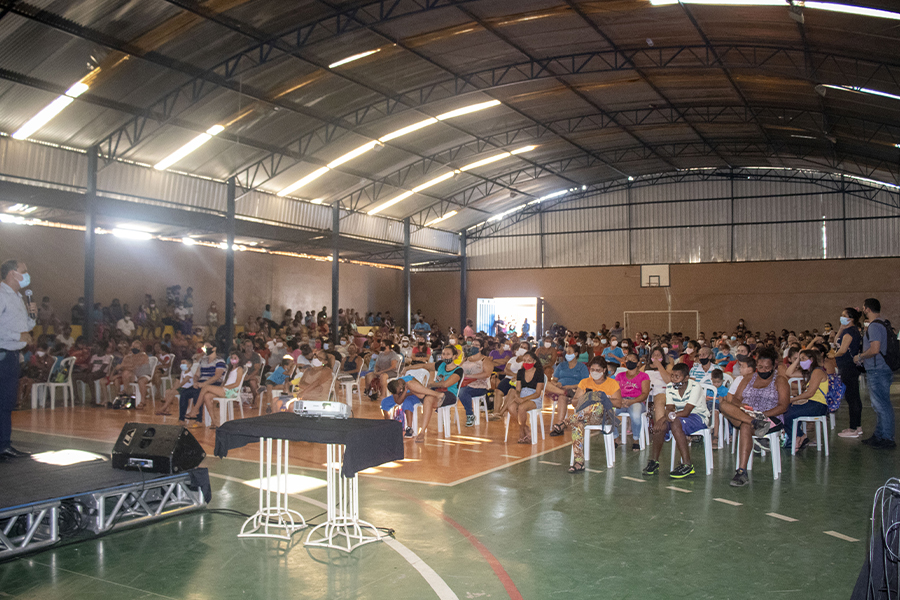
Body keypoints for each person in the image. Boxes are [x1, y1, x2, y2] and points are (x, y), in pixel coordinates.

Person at [718, 347, 790, 487]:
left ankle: (742, 471)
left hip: (770, 417)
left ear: (774, 366)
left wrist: (763, 414)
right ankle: (754, 422)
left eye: (767, 367)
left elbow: (783, 406)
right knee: (724, 405)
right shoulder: (749, 378)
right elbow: (736, 399)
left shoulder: (780, 381)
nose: (763, 370)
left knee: (746, 426)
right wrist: (743, 407)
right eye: (760, 367)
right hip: (747, 414)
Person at [641, 363, 709, 479]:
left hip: (697, 417)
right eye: (672, 376)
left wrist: (662, 418)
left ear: (686, 378)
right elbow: (670, 408)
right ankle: (654, 461)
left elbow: (687, 412)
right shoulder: (670, 387)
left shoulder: (695, 387)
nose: (673, 379)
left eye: (677, 376)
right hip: (677, 417)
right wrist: (663, 420)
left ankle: (688, 465)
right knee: (661, 427)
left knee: (673, 422)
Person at [0, 259, 35, 458]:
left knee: (6, 402)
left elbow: (24, 328)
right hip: (2, 354)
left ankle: (4, 444)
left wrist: (32, 317)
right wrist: (17, 336)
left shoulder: (18, 297)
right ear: (12, 273)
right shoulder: (1, 295)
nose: (27, 275)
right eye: (24, 271)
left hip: (12, 356)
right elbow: (15, 333)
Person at [565, 357, 621, 473]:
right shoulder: (584, 382)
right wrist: (587, 397)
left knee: (598, 405)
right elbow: (574, 402)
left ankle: (566, 421)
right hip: (585, 417)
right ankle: (579, 462)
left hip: (604, 417)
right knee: (577, 424)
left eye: (598, 370)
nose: (594, 372)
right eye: (592, 370)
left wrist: (602, 398)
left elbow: (619, 403)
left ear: (604, 370)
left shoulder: (612, 383)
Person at [854, 298, 896, 448]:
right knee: (879, 405)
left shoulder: (874, 326)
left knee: (882, 405)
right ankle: (879, 435)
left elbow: (874, 349)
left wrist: (860, 356)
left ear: (867, 309)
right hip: (880, 369)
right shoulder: (882, 323)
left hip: (878, 370)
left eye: (863, 308)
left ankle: (887, 438)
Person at [403, 345, 463, 442]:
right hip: (434, 392)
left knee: (428, 398)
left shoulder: (459, 370)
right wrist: (408, 368)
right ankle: (434, 394)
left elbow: (445, 384)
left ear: (454, 356)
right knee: (409, 383)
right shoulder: (440, 364)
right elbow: (423, 365)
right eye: (443, 354)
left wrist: (431, 384)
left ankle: (422, 432)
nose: (445, 356)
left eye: (448, 354)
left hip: (448, 395)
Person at [783, 348, 829, 452]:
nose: (801, 361)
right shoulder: (809, 373)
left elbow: (810, 393)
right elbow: (789, 373)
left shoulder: (817, 372)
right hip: (810, 403)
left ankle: (798, 437)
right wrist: (797, 360)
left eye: (803, 359)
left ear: (811, 360)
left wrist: (793, 399)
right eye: (800, 359)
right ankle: (799, 436)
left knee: (788, 414)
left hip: (818, 405)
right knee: (784, 410)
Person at [834, 307, 863, 438]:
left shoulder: (850, 333)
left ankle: (853, 429)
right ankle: (857, 426)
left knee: (852, 398)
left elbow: (842, 350)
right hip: (848, 367)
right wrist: (841, 328)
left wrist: (832, 355)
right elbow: (836, 342)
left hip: (848, 367)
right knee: (854, 397)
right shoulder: (848, 331)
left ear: (850, 319)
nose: (841, 317)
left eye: (844, 315)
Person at [546, 344, 588, 436]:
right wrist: (557, 384)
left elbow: (585, 383)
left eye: (569, 352)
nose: (567, 354)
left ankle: (560, 425)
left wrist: (569, 387)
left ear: (576, 354)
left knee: (562, 397)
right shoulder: (561, 365)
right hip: (561, 389)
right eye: (566, 352)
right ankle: (560, 423)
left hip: (575, 390)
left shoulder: (582, 367)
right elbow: (554, 380)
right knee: (546, 384)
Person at [615, 352, 650, 451]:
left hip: (637, 401)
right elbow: (615, 391)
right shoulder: (620, 375)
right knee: (608, 413)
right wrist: (620, 401)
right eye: (627, 360)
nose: (629, 362)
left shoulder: (644, 376)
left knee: (635, 415)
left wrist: (632, 401)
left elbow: (645, 394)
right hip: (621, 401)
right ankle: (616, 438)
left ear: (638, 363)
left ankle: (636, 439)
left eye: (633, 360)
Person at [456, 343, 493, 427]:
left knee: (462, 392)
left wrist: (469, 376)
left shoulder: (485, 360)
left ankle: (470, 414)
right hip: (465, 383)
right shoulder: (467, 358)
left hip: (479, 386)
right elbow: (459, 369)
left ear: (481, 348)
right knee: (451, 389)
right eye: (473, 344)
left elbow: (487, 374)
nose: (473, 346)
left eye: (476, 345)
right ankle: (444, 412)